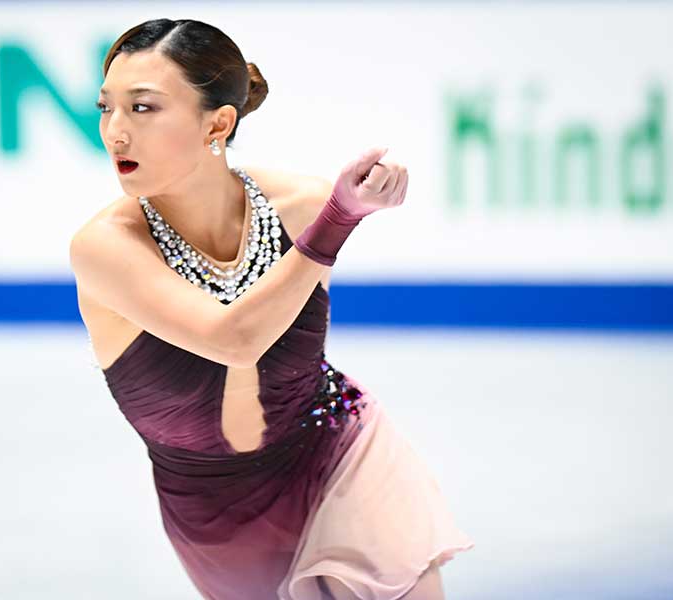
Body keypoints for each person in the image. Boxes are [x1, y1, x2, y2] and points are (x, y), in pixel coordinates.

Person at [69, 18, 474, 600]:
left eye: (143, 108)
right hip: (217, 512)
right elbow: (234, 338)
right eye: (107, 108)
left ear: (219, 122)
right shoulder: (107, 248)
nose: (115, 133)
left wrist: (335, 213)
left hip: (336, 448)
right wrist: (337, 222)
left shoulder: (303, 205)